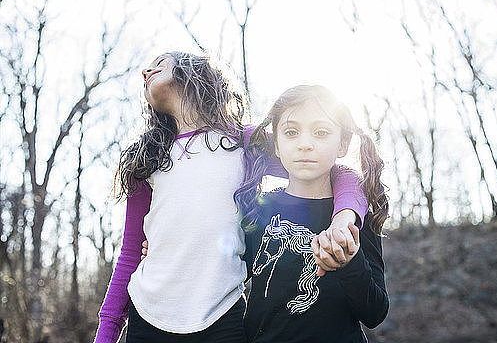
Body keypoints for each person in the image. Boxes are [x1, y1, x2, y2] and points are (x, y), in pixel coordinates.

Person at [94, 52, 369, 343]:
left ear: (192, 72)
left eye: (160, 63)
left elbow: (341, 173)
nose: (146, 70)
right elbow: (129, 254)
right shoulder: (148, 159)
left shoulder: (243, 143)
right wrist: (106, 332)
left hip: (222, 317)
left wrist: (343, 218)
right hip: (147, 316)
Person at [237, 85, 389, 342]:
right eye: (291, 132)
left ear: (342, 144)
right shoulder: (258, 210)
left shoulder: (356, 218)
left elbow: (374, 313)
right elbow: (221, 269)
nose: (305, 144)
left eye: (320, 132)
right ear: (276, 143)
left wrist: (349, 263)